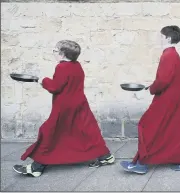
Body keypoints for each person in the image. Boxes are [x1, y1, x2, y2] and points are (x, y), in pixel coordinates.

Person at [13, 40, 115, 177]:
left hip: (64, 107)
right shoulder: (77, 65)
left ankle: (36, 167)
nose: (53, 53)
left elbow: (55, 87)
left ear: (62, 54)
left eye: (55, 51)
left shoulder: (61, 68)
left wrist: (42, 80)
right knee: (88, 131)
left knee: (49, 132)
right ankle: (105, 156)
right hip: (80, 104)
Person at [120, 25, 180, 174]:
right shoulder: (174, 54)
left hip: (167, 98)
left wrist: (151, 89)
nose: (158, 39)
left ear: (167, 38)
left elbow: (163, 80)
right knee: (175, 128)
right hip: (176, 96)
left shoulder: (168, 55)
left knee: (147, 125)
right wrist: (151, 86)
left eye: (161, 36)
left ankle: (142, 163)